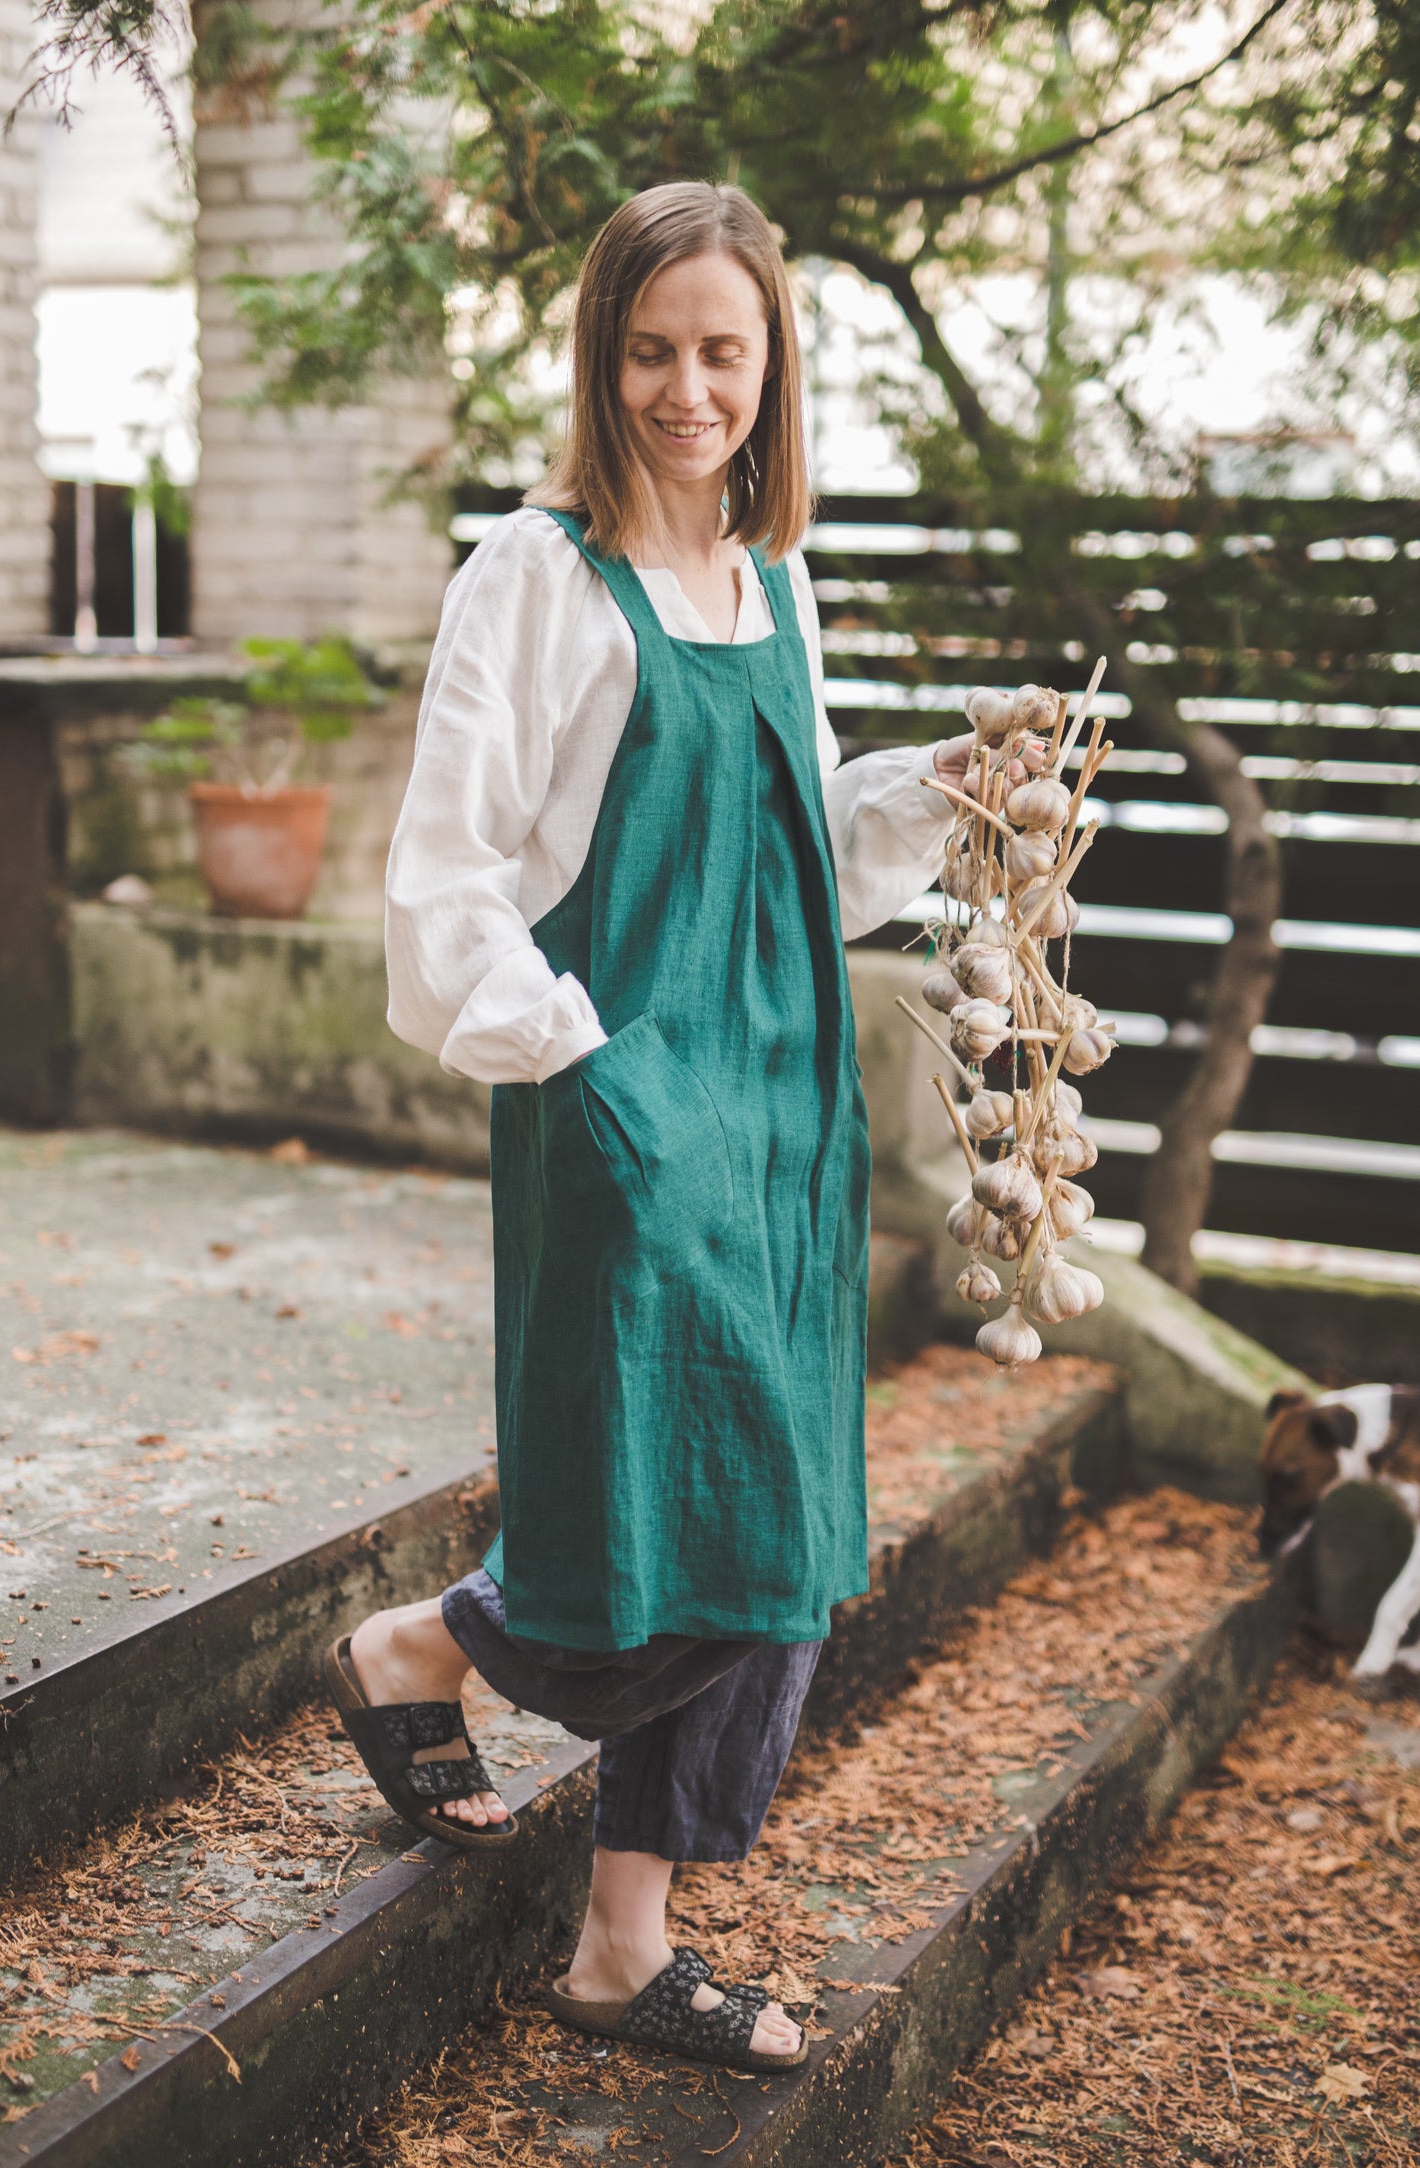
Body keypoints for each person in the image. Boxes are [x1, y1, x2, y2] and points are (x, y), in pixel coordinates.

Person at [325, 179, 973, 2073]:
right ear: (601, 363)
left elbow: (805, 858)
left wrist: (947, 784)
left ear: (772, 368)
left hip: (783, 1111)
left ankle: (620, 1938)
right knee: (721, 1520)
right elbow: (444, 878)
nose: (689, 389)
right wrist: (575, 1066)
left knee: (787, 1531)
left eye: (725, 352)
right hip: (622, 1095)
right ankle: (429, 1653)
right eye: (652, 351)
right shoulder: (534, 573)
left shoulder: (771, 576)